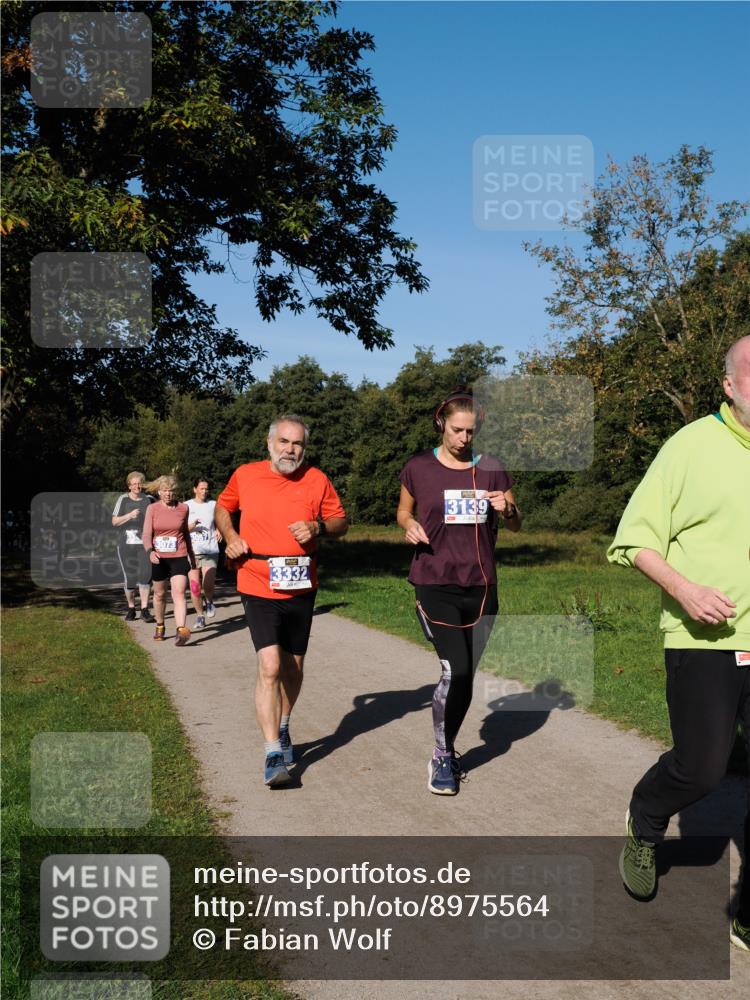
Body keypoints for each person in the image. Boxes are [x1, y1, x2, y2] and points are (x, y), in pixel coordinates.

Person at [607, 336, 750, 950]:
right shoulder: (690, 447)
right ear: (729, 385)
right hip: (705, 638)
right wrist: (685, 589)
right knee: (703, 767)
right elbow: (633, 539)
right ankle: (646, 817)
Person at [397, 388, 521, 796]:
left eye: (471, 431)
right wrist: (407, 525)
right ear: (441, 424)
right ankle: (441, 755)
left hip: (482, 586)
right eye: (456, 430)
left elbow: (516, 521)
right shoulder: (418, 467)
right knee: (457, 669)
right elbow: (404, 509)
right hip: (434, 581)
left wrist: (508, 508)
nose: (464, 439)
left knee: (467, 677)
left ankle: (447, 747)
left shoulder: (492, 468)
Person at [215, 415, 348, 787]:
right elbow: (223, 508)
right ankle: (273, 752)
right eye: (285, 442)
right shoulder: (246, 474)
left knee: (293, 668)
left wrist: (318, 527)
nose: (291, 450)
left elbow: (341, 522)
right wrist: (230, 535)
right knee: (270, 666)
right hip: (257, 580)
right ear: (269, 442)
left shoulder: (317, 479)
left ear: (305, 448)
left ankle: (284, 725)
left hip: (302, 583)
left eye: (298, 444)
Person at [142, 475, 196, 646]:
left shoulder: (183, 508)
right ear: (159, 491)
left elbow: (186, 534)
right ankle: (160, 624)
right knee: (159, 594)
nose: (168, 494)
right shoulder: (153, 509)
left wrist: (192, 557)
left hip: (179, 555)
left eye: (171, 491)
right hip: (159, 557)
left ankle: (181, 630)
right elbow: (146, 534)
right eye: (165, 490)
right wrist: (150, 551)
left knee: (179, 592)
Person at [111, 471, 154, 622]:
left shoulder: (149, 500)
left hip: (145, 545)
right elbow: (114, 522)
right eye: (134, 484)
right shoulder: (122, 499)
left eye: (139, 483)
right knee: (130, 578)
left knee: (145, 576)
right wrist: (129, 515)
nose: (137, 486)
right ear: (129, 486)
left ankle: (144, 609)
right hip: (125, 545)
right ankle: (131, 608)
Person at [186, 477, 221, 630]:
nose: (204, 491)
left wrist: (220, 529)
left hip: (210, 549)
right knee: (194, 587)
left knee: (208, 582)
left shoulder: (213, 505)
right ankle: (200, 616)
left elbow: (222, 520)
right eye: (201, 488)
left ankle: (209, 601)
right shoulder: (186, 506)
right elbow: (179, 529)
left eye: (206, 489)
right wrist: (191, 526)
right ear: (195, 489)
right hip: (192, 551)